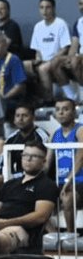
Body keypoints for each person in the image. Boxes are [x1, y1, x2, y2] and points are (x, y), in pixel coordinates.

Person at [0, 140, 57, 255]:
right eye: (25, 155)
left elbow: (40, 216)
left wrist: (6, 223)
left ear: (43, 161)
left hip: (23, 230)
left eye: (34, 156)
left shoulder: (46, 185)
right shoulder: (10, 184)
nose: (28, 159)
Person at [47, 98, 83, 240]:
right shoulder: (55, 135)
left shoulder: (80, 130)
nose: (61, 112)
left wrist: (69, 179)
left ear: (74, 112)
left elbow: (81, 156)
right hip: (60, 182)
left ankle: (70, 237)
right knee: (32, 197)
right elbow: (46, 164)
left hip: (79, 180)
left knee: (68, 197)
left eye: (65, 109)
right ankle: (54, 235)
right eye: (58, 109)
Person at [29, 0, 73, 102]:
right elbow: (37, 50)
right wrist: (38, 58)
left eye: (47, 7)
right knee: (24, 66)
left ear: (53, 8)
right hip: (42, 60)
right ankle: (30, 100)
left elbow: (65, 48)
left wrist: (51, 60)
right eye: (41, 7)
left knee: (43, 68)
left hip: (58, 59)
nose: (44, 11)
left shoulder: (61, 24)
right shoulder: (37, 26)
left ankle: (48, 100)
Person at [0, 29, 27, 114]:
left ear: (5, 45)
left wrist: (3, 98)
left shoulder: (13, 60)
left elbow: (20, 86)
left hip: (9, 101)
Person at [3, 102, 50, 178]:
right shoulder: (11, 139)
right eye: (17, 116)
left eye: (25, 115)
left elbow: (45, 165)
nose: (20, 119)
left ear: (33, 118)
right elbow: (3, 164)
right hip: (15, 179)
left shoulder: (42, 136)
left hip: (37, 178)